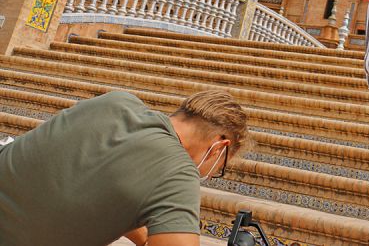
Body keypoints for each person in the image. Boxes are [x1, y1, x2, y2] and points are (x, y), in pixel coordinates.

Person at [0, 89, 248, 246]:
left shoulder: (114, 101)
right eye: (218, 169)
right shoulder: (179, 172)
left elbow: (101, 183)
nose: (209, 173)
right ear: (218, 148)